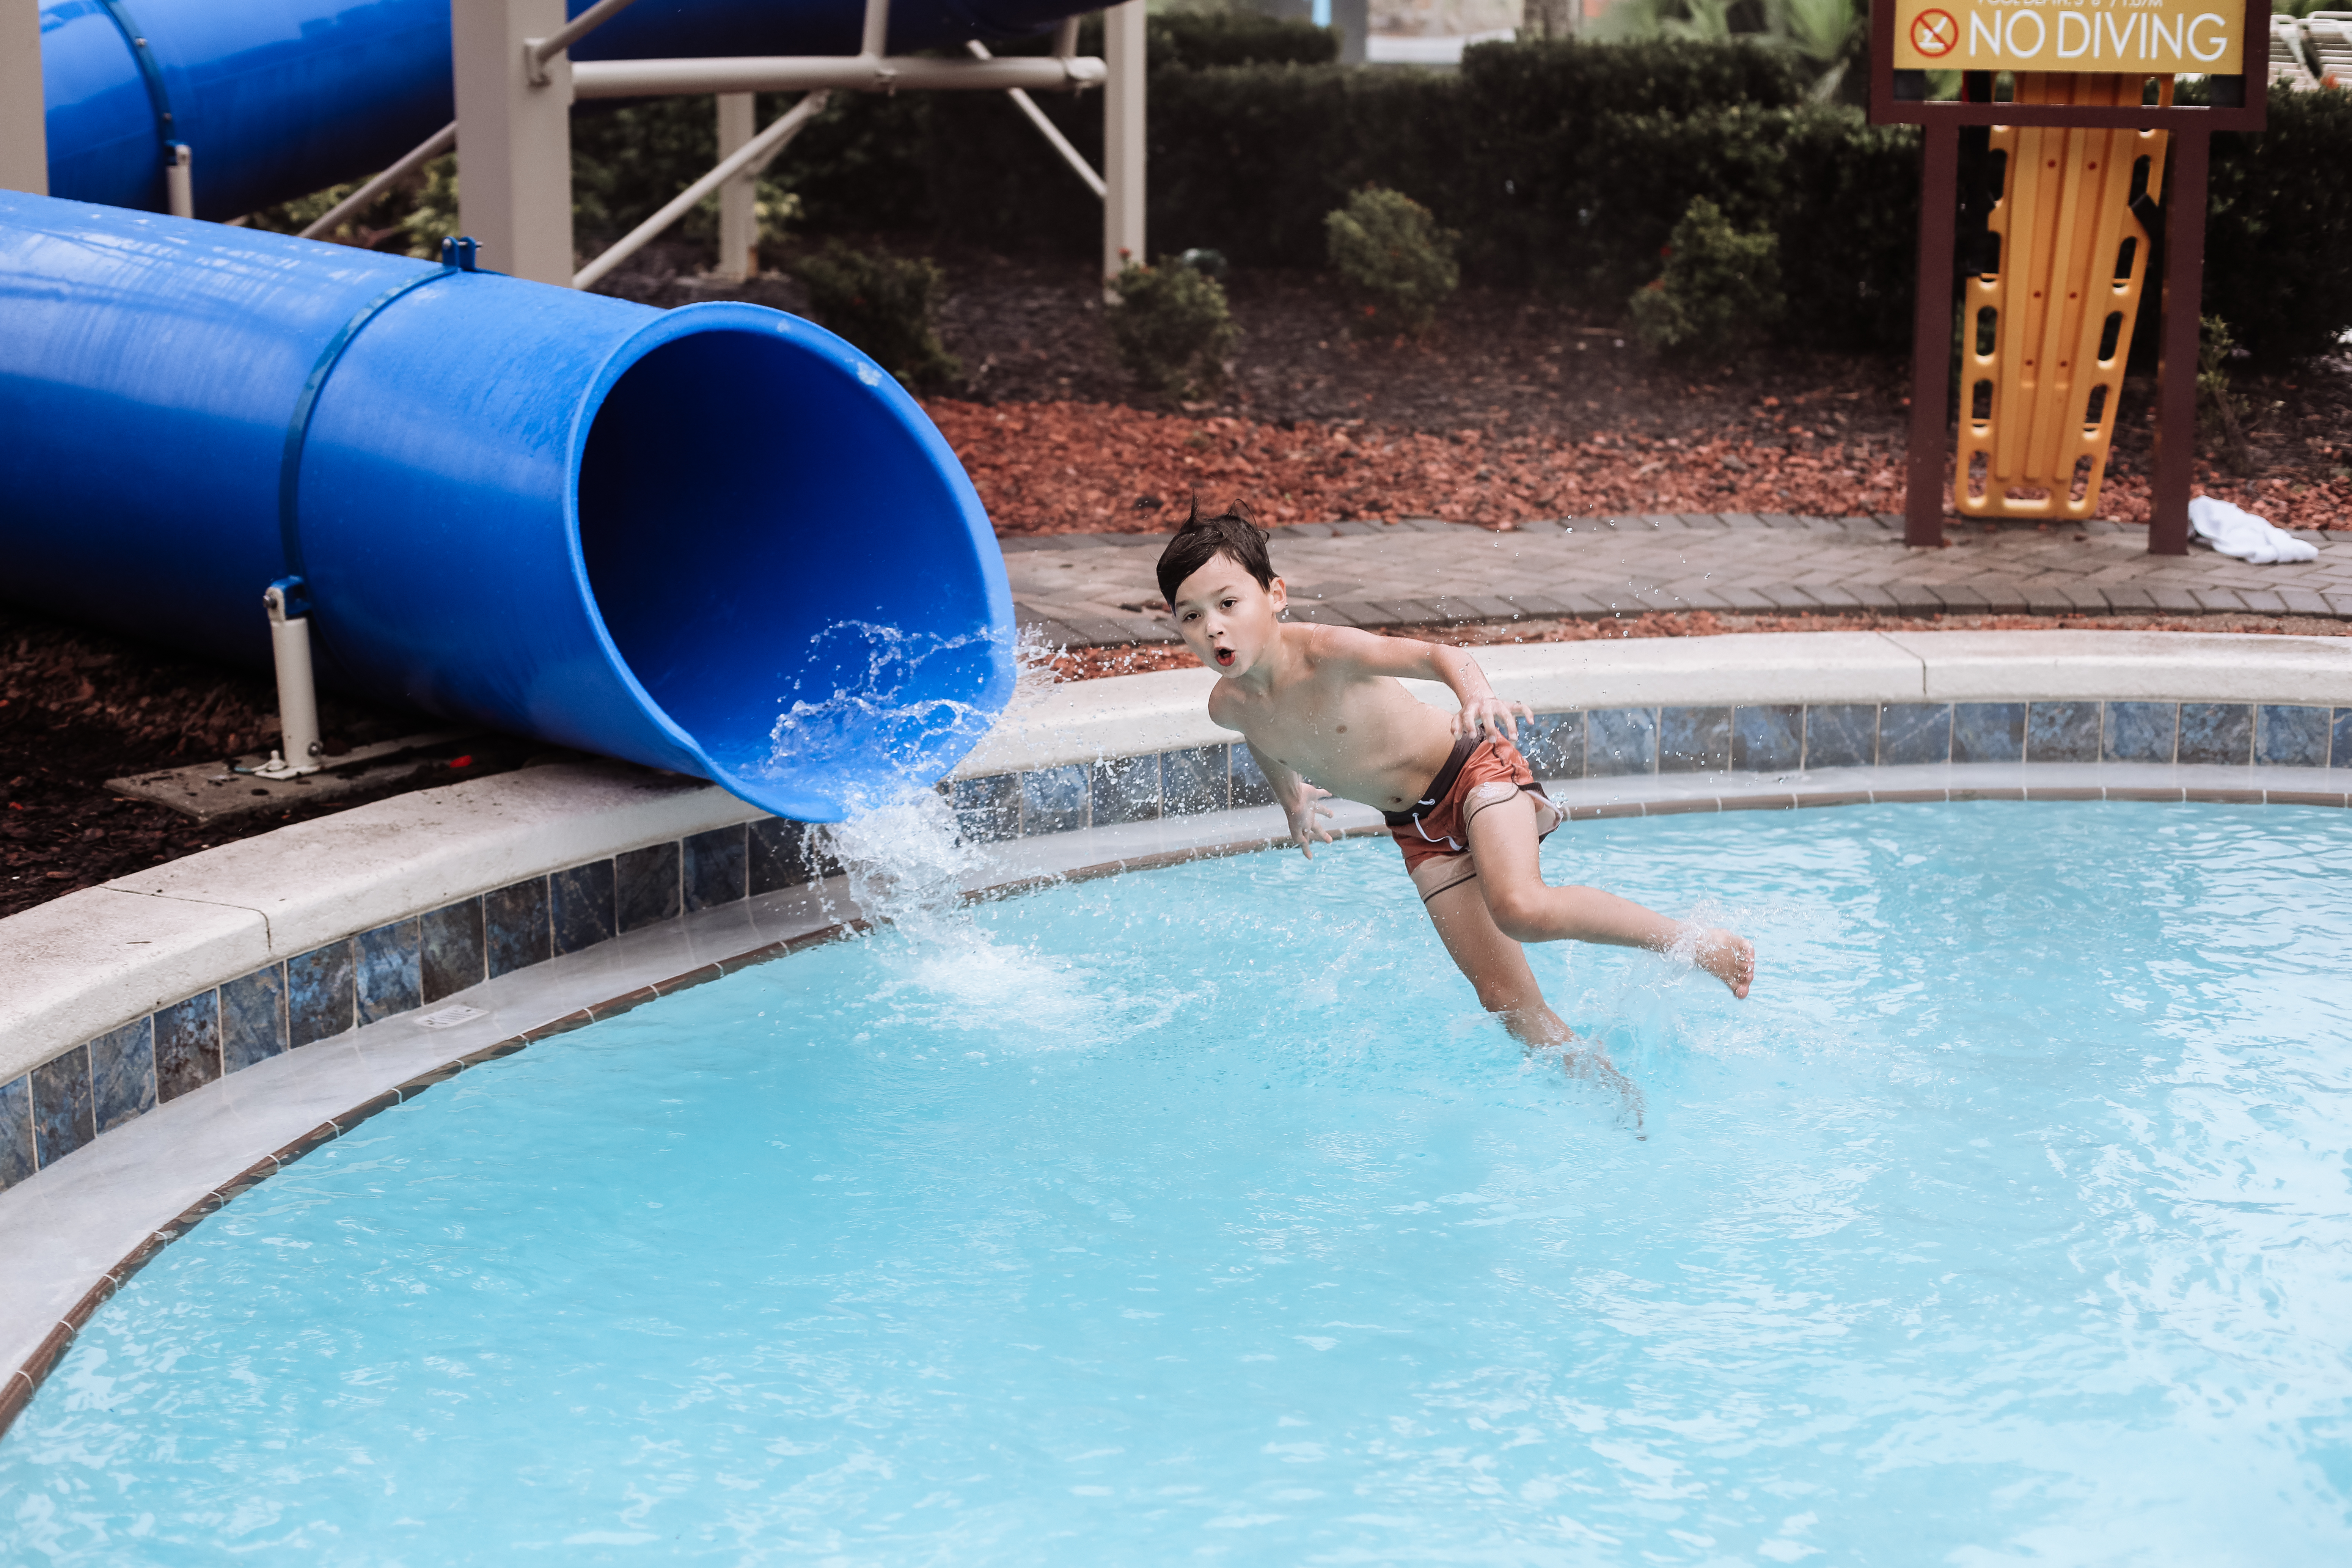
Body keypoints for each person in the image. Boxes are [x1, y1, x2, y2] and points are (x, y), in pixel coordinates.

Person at [1158, 503, 1753, 1103]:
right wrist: (1292, 802)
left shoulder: (1324, 650)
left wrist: (1476, 695)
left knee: (1520, 908)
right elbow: (1264, 740)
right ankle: (1613, 1095)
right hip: (1417, 829)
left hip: (1470, 768)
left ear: (1275, 595)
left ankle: (1698, 942)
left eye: (1228, 603)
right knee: (1503, 1000)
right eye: (1192, 616)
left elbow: (1440, 656)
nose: (1213, 627)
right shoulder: (1227, 705)